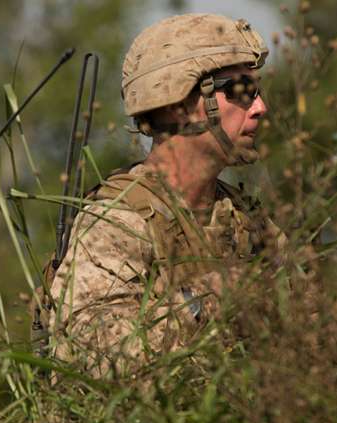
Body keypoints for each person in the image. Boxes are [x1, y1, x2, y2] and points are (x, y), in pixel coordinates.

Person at [42, 14, 288, 377]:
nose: (260, 107)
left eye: (258, 90)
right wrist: (204, 302)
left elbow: (309, 339)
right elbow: (89, 352)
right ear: (178, 104)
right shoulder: (118, 221)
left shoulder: (246, 220)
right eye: (241, 90)